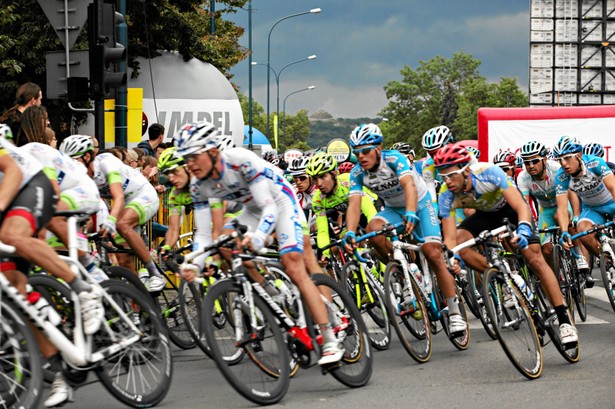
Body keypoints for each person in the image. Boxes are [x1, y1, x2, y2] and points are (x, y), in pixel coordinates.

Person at [174, 120, 345, 365]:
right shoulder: (198, 185)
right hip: (251, 211)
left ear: (212, 151)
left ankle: (329, 339)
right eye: (185, 159)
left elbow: (269, 207)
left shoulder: (240, 160)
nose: (189, 164)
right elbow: (202, 235)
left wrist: (259, 237)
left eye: (193, 157)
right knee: (223, 240)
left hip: (280, 203)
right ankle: (270, 290)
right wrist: (196, 264)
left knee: (294, 266)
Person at [433, 143, 578, 345]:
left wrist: (525, 228)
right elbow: (449, 237)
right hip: (484, 215)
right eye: (443, 177)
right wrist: (452, 256)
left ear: (466, 170)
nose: (447, 181)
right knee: (459, 244)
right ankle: (501, 276)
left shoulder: (488, 173)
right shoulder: (446, 193)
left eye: (451, 175)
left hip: (510, 210)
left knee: (534, 257)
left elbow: (520, 204)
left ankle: (564, 321)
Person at [0, 132, 103, 407]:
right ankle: (60, 372)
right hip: (11, 202)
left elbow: (10, 170)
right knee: (15, 292)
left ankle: (83, 289)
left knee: (12, 235)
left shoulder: (25, 150)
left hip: (32, 184)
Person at [343, 123, 467, 335]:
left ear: (378, 148)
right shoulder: (357, 173)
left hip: (419, 204)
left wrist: (411, 211)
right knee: (373, 230)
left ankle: (455, 313)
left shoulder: (394, 159)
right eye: (357, 152)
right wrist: (350, 232)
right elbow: (354, 204)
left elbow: (409, 186)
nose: (361, 156)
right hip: (393, 210)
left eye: (365, 150)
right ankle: (406, 273)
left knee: (432, 253)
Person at [59, 135, 164, 291]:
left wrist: (110, 221)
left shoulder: (106, 162)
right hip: (126, 205)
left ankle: (155, 273)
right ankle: (137, 306)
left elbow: (119, 196)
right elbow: (91, 205)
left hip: (143, 195)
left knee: (122, 223)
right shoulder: (81, 178)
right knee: (124, 262)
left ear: (87, 156)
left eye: (75, 160)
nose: (72, 166)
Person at [516, 140, 590, 282]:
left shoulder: (556, 168)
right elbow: (524, 204)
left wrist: (575, 215)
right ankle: (558, 277)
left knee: (561, 217)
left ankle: (579, 256)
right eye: (527, 163)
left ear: (544, 159)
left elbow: (571, 192)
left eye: (535, 161)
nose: (531, 166)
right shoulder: (523, 177)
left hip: (562, 204)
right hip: (545, 211)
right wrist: (528, 224)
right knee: (546, 250)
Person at [554, 136, 615, 288]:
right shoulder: (561, 176)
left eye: (567, 158)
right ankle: (608, 261)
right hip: (592, 209)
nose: (563, 164)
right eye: (560, 160)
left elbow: (613, 187)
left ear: (579, 155)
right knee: (582, 231)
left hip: (612, 202)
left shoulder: (595, 163)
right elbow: (562, 208)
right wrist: (564, 231)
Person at [307, 153, 377, 267]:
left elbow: (370, 212)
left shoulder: (349, 181)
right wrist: (325, 253)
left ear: (334, 173)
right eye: (315, 179)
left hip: (372, 206)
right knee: (346, 240)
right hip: (351, 215)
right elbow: (323, 231)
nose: (319, 184)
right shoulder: (318, 199)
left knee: (377, 237)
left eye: (323, 176)